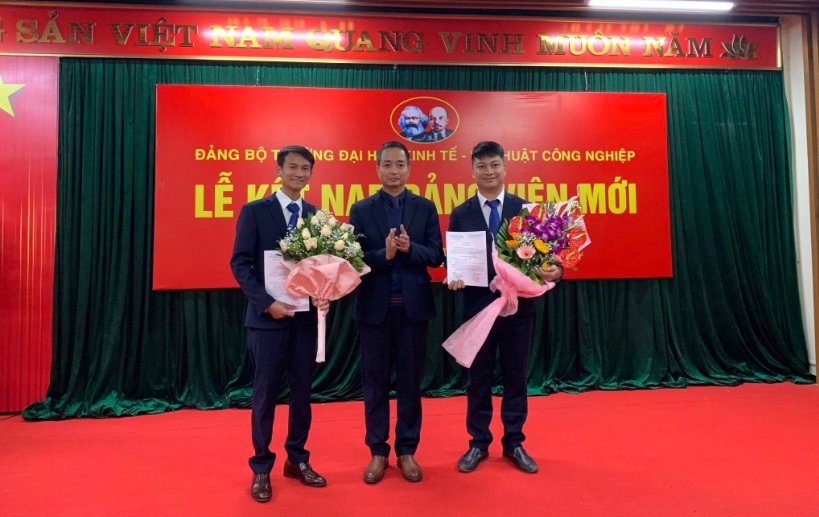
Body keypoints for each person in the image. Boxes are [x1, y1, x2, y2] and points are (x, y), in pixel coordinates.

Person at [447, 141, 563, 475]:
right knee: (477, 379)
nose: (489, 172)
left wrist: (556, 271)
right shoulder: (461, 213)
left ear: (505, 168)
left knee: (516, 376)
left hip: (519, 309)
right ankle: (478, 443)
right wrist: (454, 275)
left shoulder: (525, 210)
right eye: (481, 166)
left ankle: (514, 442)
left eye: (494, 165)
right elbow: (455, 258)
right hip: (478, 308)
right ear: (472, 171)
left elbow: (549, 257)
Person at [230, 145, 329, 503]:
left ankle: (297, 459)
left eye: (305, 169)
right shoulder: (255, 211)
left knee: (302, 393)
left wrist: (323, 293)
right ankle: (261, 468)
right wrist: (267, 303)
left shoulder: (317, 217)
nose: (299, 174)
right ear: (279, 170)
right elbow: (240, 264)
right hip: (267, 320)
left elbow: (321, 266)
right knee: (265, 394)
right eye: (293, 167)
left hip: (304, 321)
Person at [349, 140, 445, 484]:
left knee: (410, 382)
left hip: (413, 310)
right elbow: (353, 259)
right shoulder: (361, 209)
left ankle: (407, 450)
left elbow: (436, 255)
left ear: (409, 168)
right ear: (377, 168)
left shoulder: (425, 207)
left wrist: (409, 248)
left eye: (400, 165)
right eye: (387, 165)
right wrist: (384, 255)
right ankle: (378, 451)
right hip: (374, 310)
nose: (394, 171)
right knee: (374, 383)